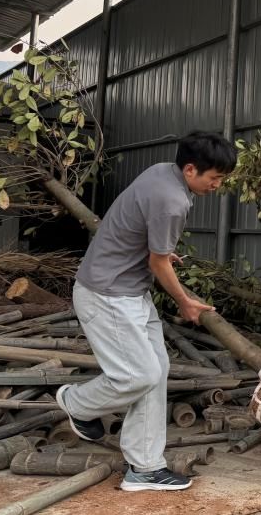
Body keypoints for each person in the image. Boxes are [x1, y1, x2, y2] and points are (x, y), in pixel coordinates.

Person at [56, 131, 236, 492]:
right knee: (138, 375)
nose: (217, 185)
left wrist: (159, 249)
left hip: (130, 291)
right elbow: (157, 262)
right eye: (214, 178)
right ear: (190, 169)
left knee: (157, 371)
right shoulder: (173, 200)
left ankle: (145, 468)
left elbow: (138, 226)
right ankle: (76, 404)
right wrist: (185, 301)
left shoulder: (162, 171)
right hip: (107, 294)